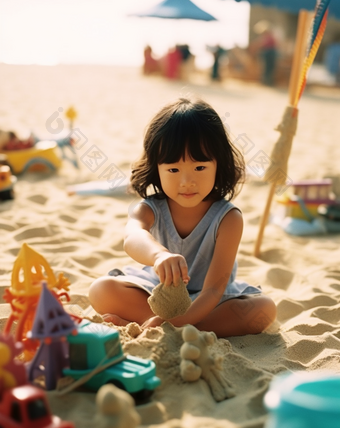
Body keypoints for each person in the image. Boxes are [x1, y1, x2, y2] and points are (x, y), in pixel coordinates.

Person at [89, 98, 276, 337]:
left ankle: (161, 325)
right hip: (158, 293)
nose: (187, 182)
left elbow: (214, 289)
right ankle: (165, 323)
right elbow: (133, 236)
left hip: (209, 300)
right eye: (173, 170)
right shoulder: (149, 209)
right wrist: (159, 255)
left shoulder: (228, 218)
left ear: (219, 164)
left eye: (199, 168)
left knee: (263, 310)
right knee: (101, 290)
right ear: (156, 168)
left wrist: (179, 321)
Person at [252, 21, 278, 86]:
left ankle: (267, 81)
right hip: (268, 52)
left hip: (269, 53)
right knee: (267, 67)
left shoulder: (269, 36)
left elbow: (263, 44)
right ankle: (266, 81)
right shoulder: (267, 36)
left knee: (269, 67)